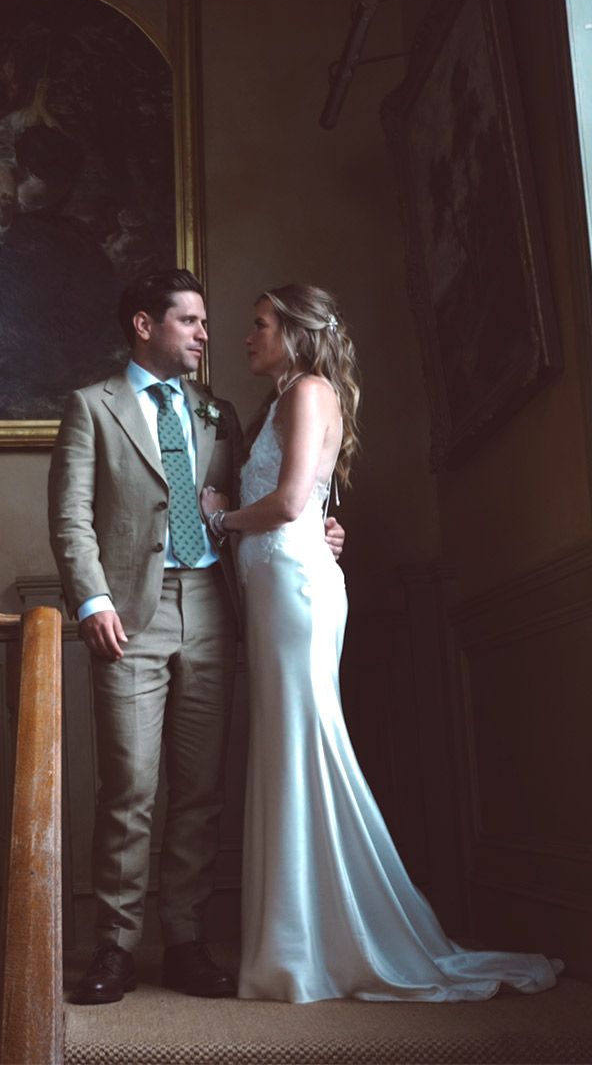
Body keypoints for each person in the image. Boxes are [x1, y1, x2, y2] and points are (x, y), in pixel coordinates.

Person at [199, 284, 561, 1003]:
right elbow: (316, 505)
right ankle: (297, 940)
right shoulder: (285, 399)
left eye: (260, 325)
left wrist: (219, 516)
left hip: (296, 589)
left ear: (297, 334)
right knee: (287, 747)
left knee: (306, 745)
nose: (246, 336)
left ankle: (317, 945)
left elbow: (293, 504)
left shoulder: (307, 392)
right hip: (280, 586)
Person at [48, 269, 342, 1006]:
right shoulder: (91, 408)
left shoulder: (221, 412)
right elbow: (71, 518)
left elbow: (265, 497)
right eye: (190, 321)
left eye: (209, 322)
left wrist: (322, 528)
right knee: (129, 783)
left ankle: (185, 941)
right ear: (145, 325)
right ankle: (113, 948)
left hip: (215, 604)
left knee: (201, 789)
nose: (206, 335)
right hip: (128, 614)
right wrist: (91, 601)